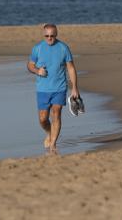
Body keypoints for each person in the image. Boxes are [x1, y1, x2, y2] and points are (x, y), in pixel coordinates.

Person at [27, 24, 80, 153]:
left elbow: (71, 68)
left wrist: (74, 88)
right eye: (47, 36)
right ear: (44, 35)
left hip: (59, 88)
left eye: (52, 36)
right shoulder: (37, 48)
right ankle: (49, 133)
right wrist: (37, 71)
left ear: (56, 35)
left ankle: (53, 145)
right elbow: (30, 65)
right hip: (43, 89)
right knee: (43, 119)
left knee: (56, 113)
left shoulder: (63, 48)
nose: (49, 38)